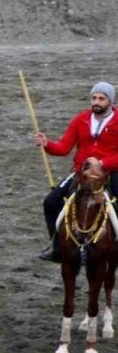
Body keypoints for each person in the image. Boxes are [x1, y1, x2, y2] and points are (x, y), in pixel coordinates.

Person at [33, 81, 118, 262]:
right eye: (94, 98)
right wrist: (47, 144)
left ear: (110, 101)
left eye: (101, 98)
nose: (96, 102)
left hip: (111, 173)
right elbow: (64, 148)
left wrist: (102, 163)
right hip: (82, 173)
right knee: (50, 202)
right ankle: (57, 247)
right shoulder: (81, 120)